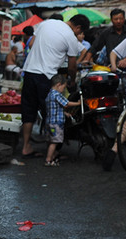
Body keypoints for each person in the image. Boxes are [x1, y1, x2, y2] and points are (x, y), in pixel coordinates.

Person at [18, 14, 90, 158]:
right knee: (51, 114)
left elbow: (32, 44)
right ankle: (52, 150)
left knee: (29, 110)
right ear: (78, 28)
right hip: (46, 76)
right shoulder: (71, 37)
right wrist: (71, 80)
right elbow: (71, 66)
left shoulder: (47, 23)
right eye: (80, 32)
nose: (78, 34)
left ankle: (26, 146)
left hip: (29, 72)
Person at [42, 74, 80, 166]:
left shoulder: (49, 94)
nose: (63, 90)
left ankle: (54, 154)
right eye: (63, 87)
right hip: (56, 124)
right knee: (55, 142)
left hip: (49, 122)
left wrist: (64, 113)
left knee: (50, 140)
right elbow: (66, 104)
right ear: (59, 85)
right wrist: (78, 103)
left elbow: (54, 108)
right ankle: (48, 160)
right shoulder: (57, 94)